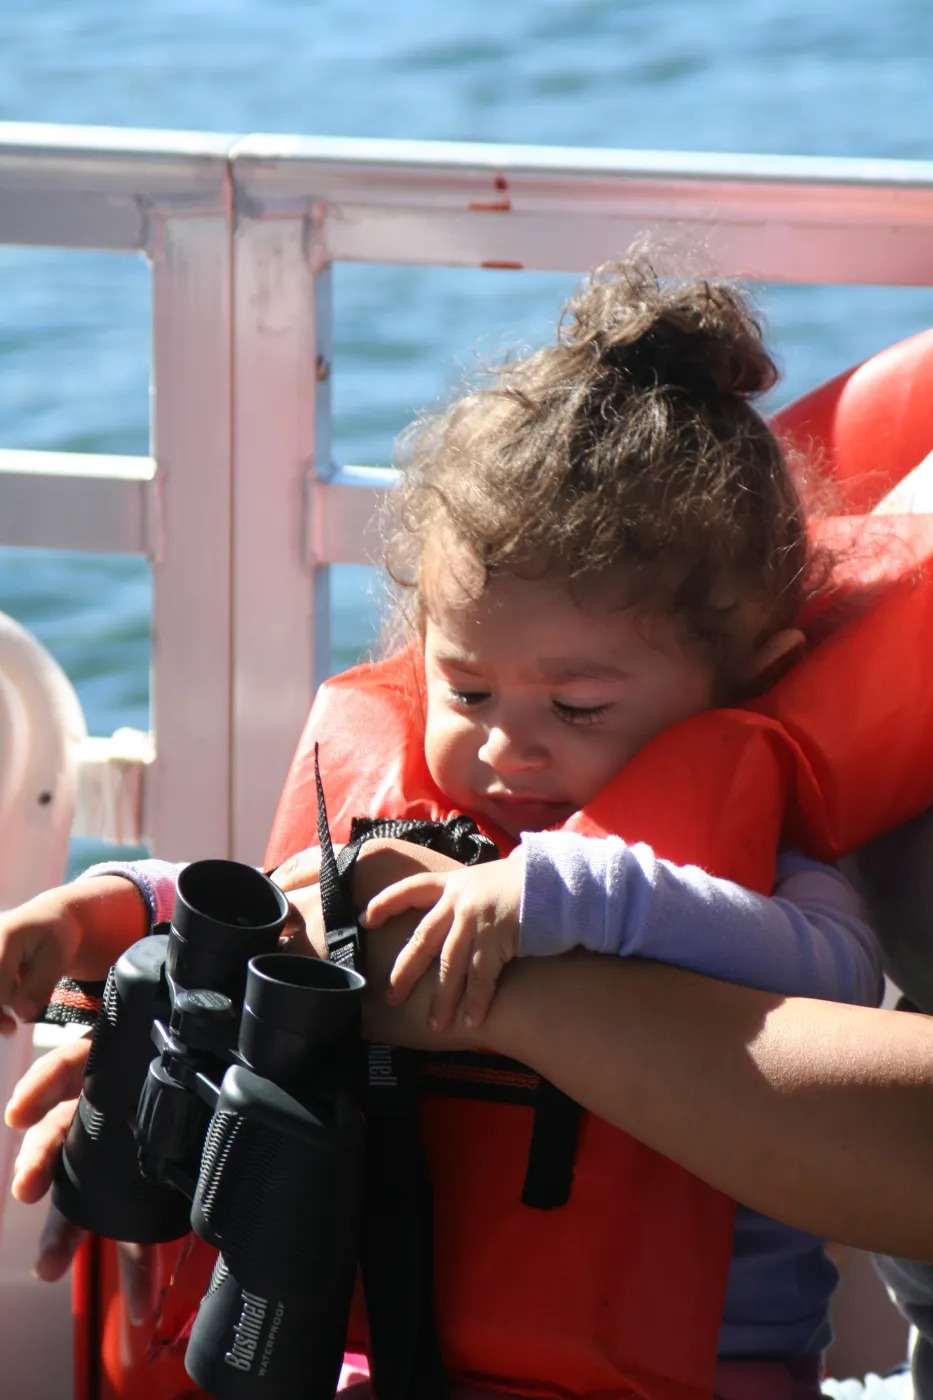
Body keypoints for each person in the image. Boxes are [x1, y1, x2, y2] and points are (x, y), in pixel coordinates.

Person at [0, 258, 902, 1399]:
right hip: (401, 1341)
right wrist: (107, 908)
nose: (505, 748)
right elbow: (269, 899)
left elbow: (832, 970)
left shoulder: (748, 870)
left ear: (742, 682)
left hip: (702, 1373)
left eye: (577, 708)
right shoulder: (424, 818)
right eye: (466, 692)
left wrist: (547, 893)